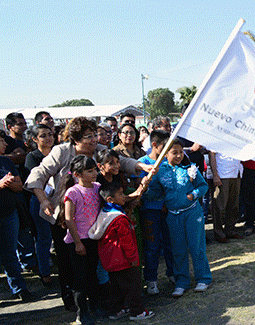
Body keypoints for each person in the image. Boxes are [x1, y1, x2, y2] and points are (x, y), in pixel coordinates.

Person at [24, 117, 153, 312]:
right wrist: (43, 200)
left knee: (94, 261)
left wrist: (142, 167)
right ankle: (74, 303)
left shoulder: (99, 150)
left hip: (92, 217)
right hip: (64, 217)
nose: (93, 140)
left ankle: (99, 300)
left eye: (94, 135)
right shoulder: (61, 151)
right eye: (87, 136)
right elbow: (38, 174)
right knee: (69, 263)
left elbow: (122, 161)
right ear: (75, 139)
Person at [146, 139, 211, 297]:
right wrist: (145, 186)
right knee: (178, 250)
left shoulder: (190, 168)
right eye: (174, 152)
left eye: (181, 152)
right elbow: (154, 193)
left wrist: (193, 195)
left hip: (192, 213)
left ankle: (203, 278)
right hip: (173, 216)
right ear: (166, 154)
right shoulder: (160, 171)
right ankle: (182, 281)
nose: (179, 155)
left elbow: (203, 186)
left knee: (197, 247)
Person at [89, 182, 154, 321]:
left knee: (116, 287)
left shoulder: (104, 214)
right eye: (120, 194)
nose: (124, 197)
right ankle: (137, 312)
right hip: (124, 260)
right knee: (133, 286)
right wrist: (133, 258)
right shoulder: (119, 219)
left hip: (111, 260)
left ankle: (116, 310)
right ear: (110, 200)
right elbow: (127, 242)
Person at [59, 155, 102, 325]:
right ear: (77, 174)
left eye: (94, 170)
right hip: (79, 241)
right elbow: (69, 219)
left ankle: (96, 307)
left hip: (93, 238)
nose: (94, 173)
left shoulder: (98, 187)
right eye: (89, 171)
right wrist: (77, 242)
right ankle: (82, 312)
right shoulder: (73, 192)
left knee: (93, 275)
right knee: (80, 278)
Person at [138, 130, 175, 294]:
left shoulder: (167, 163)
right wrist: (144, 183)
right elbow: (138, 188)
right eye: (164, 146)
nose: (167, 151)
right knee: (152, 247)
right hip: (150, 212)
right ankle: (151, 280)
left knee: (170, 244)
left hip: (168, 210)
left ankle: (173, 274)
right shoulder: (142, 163)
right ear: (154, 145)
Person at [0, 131, 34, 302]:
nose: (5, 145)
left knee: (10, 253)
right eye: (1, 141)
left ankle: (19, 288)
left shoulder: (6, 161)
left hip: (9, 213)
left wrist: (10, 184)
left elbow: (19, 185)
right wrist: (1, 184)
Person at [24, 124, 55, 286]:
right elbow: (35, 182)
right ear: (35, 139)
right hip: (39, 200)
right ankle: (45, 273)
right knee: (44, 237)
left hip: (58, 198)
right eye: (43, 135)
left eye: (50, 134)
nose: (49, 138)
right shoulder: (32, 157)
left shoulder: (58, 153)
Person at [208, 151, 243, 242]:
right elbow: (212, 155)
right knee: (220, 206)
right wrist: (215, 175)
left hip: (236, 172)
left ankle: (230, 230)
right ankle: (219, 232)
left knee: (234, 205)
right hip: (222, 174)